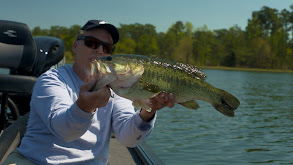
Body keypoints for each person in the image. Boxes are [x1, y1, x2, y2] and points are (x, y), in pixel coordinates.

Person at [2, 20, 175, 165]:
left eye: (107, 48)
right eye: (92, 43)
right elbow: (65, 132)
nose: (100, 51)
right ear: (76, 46)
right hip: (35, 161)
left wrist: (147, 112)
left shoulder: (117, 87)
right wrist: (85, 107)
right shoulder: (52, 80)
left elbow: (128, 138)